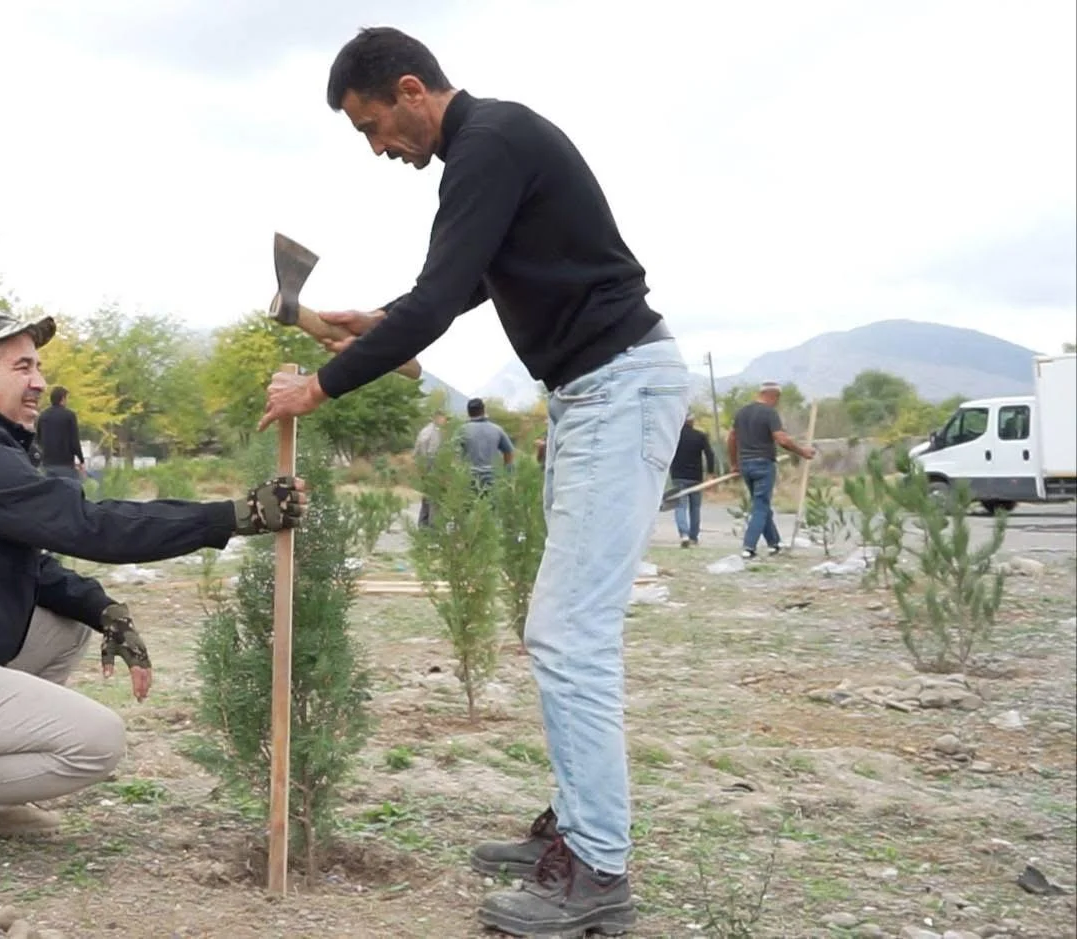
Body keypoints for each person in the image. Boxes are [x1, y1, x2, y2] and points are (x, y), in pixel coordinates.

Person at [259, 27, 691, 936]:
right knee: (562, 627)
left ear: (412, 90)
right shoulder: (490, 150)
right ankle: (578, 831)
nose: (380, 149)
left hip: (619, 387)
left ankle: (598, 867)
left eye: (375, 127)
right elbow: (460, 288)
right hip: (594, 391)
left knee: (568, 634)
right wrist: (374, 319)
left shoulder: (486, 143)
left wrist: (317, 384)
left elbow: (438, 290)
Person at [0, 309, 309, 875]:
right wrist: (231, 516)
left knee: (63, 624)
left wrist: (102, 607)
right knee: (95, 742)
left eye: (38, 366)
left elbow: (31, 564)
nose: (39, 382)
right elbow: (90, 525)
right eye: (22, 366)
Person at [726, 382, 816, 559]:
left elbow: (731, 438)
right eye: (777, 399)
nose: (777, 403)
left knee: (762, 505)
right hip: (763, 464)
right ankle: (748, 546)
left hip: (746, 464)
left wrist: (734, 463)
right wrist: (802, 451)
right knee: (760, 506)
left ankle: (774, 543)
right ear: (773, 395)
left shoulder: (742, 413)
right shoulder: (769, 413)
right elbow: (781, 439)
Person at [668, 414, 719, 547]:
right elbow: (710, 454)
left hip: (678, 476)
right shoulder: (700, 436)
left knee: (680, 506)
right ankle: (693, 537)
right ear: (692, 421)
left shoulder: (674, 436)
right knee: (695, 507)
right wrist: (711, 472)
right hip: (696, 477)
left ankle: (683, 534)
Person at [458, 398, 515, 489]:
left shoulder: (461, 430)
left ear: (468, 412)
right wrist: (507, 473)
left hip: (469, 479)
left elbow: (453, 454)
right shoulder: (497, 429)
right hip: (492, 479)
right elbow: (509, 451)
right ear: (483, 410)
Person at [35, 385, 85, 484]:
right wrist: (81, 460)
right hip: (65, 464)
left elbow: (37, 439)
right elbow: (74, 441)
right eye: (66, 398)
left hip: (47, 464)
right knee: (71, 493)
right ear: (62, 399)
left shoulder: (43, 416)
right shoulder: (69, 415)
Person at [412, 411, 448, 527]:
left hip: (423, 468)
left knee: (426, 498)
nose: (445, 421)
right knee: (434, 500)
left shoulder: (424, 431)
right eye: (444, 419)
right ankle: (433, 528)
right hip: (432, 467)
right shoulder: (435, 432)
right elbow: (434, 453)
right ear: (438, 418)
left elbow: (415, 452)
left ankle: (422, 525)